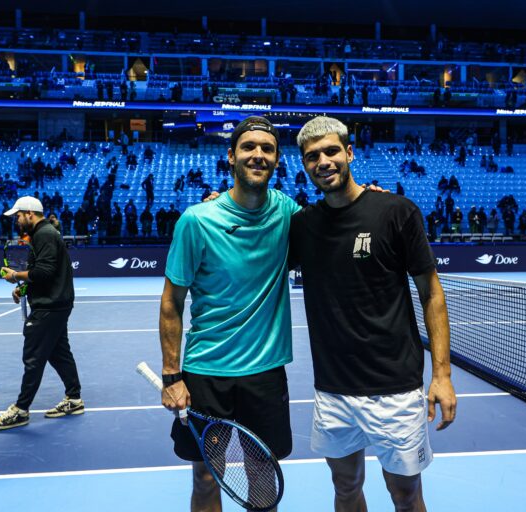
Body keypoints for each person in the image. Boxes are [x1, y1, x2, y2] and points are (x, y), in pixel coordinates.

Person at [290, 116, 456, 511]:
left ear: (349, 153)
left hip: (395, 388)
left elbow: (432, 293)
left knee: (405, 493)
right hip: (333, 389)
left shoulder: (396, 212)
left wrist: (442, 376)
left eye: (331, 151)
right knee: (345, 487)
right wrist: (220, 199)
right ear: (304, 165)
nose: (323, 161)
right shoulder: (302, 226)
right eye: (312, 156)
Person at [159, 117, 297, 511]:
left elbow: (337, 219)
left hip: (265, 373)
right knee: (206, 476)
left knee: (261, 473)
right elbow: (172, 301)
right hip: (206, 373)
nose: (258, 154)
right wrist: (172, 375)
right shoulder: (197, 220)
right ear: (231, 155)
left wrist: (370, 197)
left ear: (277, 160)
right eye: (249, 147)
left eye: (267, 149)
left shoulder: (288, 212)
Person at [0, 196, 84, 430]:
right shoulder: (44, 234)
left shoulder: (45, 234)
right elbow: (41, 272)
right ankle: (74, 399)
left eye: (18, 216)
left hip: (49, 306)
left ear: (29, 213)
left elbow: (45, 271)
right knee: (58, 352)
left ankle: (21, 410)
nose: (17, 221)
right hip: (56, 303)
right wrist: (24, 288)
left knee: (33, 357)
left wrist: (15, 276)